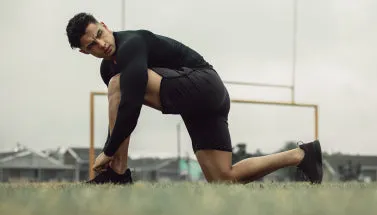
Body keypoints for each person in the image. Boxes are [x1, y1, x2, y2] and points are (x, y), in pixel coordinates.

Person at [65, 13, 323, 185]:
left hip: (203, 83)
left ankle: (118, 175)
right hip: (205, 99)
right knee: (223, 179)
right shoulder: (107, 68)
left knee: (119, 85)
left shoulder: (131, 43)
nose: (101, 44)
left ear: (105, 26)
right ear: (85, 52)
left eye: (99, 34)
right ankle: (302, 155)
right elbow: (124, 111)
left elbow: (130, 106)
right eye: (92, 46)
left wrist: (108, 152)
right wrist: (113, 146)